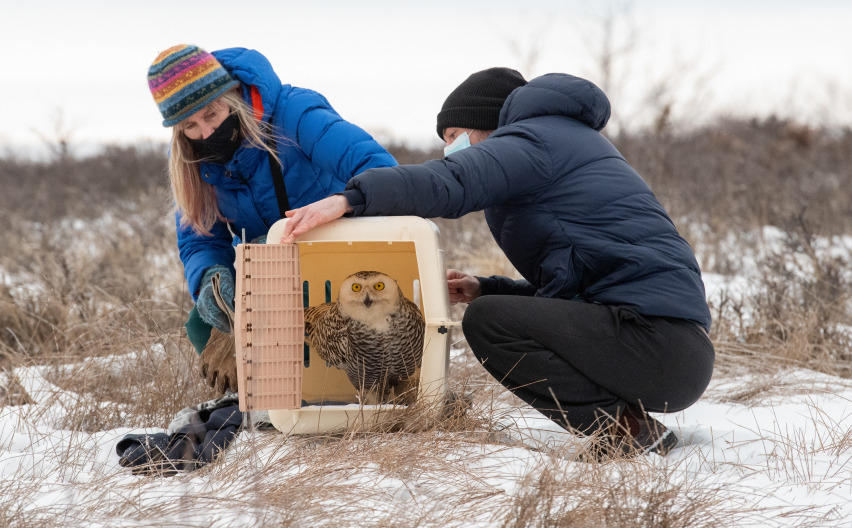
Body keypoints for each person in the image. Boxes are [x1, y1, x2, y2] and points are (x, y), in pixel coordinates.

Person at [280, 67, 715, 460]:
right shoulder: (561, 146)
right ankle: (633, 428)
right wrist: (486, 288)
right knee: (490, 307)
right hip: (668, 348)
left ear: (485, 126)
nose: (451, 148)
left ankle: (627, 430)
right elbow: (579, 292)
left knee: (489, 322)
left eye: (453, 135)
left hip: (657, 344)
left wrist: (351, 198)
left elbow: (452, 181)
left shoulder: (535, 140)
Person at [147, 44, 397, 393]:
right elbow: (199, 238)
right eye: (190, 125)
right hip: (267, 271)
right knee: (202, 323)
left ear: (231, 95)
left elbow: (382, 170)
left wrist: (335, 207)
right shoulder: (193, 160)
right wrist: (211, 278)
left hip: (338, 251)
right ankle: (264, 401)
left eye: (212, 114)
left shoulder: (295, 113)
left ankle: (360, 388)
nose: (205, 133)